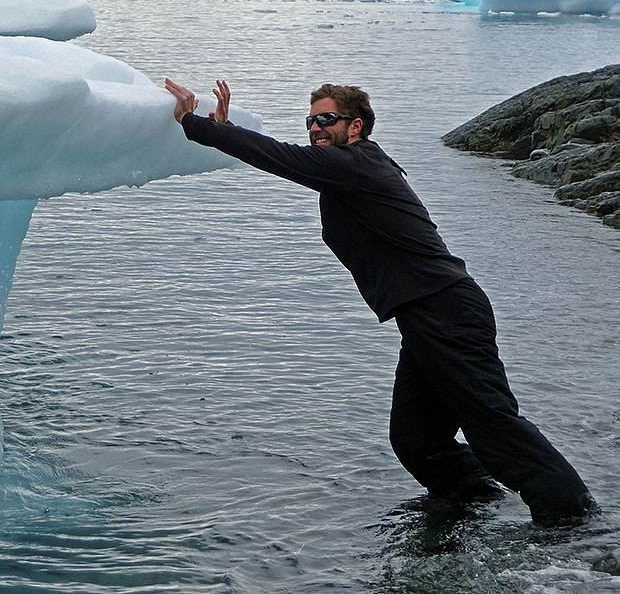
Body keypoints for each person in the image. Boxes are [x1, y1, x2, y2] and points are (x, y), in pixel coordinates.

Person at [164, 77, 599, 527]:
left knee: (494, 427)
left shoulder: (354, 164)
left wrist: (196, 124)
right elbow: (283, 158)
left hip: (446, 310)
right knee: (417, 441)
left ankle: (575, 520)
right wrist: (221, 132)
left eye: (326, 119)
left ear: (356, 127)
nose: (315, 127)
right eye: (310, 120)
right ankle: (475, 499)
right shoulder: (346, 170)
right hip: (424, 315)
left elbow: (278, 157)